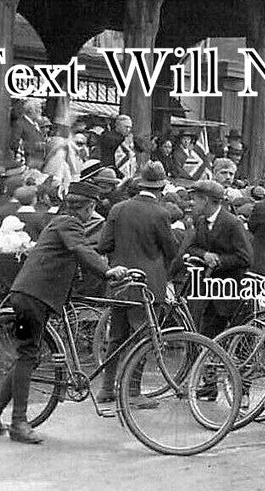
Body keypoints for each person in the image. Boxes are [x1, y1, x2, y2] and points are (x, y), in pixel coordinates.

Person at [0, 181, 130, 444]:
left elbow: (80, 253)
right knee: (27, 356)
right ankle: (18, 424)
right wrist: (107, 272)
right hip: (31, 298)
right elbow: (81, 251)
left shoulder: (61, 222)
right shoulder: (69, 224)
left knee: (27, 357)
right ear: (89, 208)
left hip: (30, 297)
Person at [95, 161, 177, 403]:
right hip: (148, 286)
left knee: (116, 337)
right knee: (143, 337)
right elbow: (171, 249)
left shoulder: (118, 209)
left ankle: (107, 389)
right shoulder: (160, 213)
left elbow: (103, 245)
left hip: (120, 282)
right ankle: (132, 391)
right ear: (161, 187)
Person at [176, 178, 252, 339]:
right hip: (205, 291)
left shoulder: (232, 223)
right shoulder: (201, 221)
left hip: (228, 291)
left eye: (195, 199)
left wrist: (219, 260)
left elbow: (245, 258)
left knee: (221, 339)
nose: (191, 203)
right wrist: (204, 255)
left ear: (205, 200)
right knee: (204, 337)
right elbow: (191, 247)